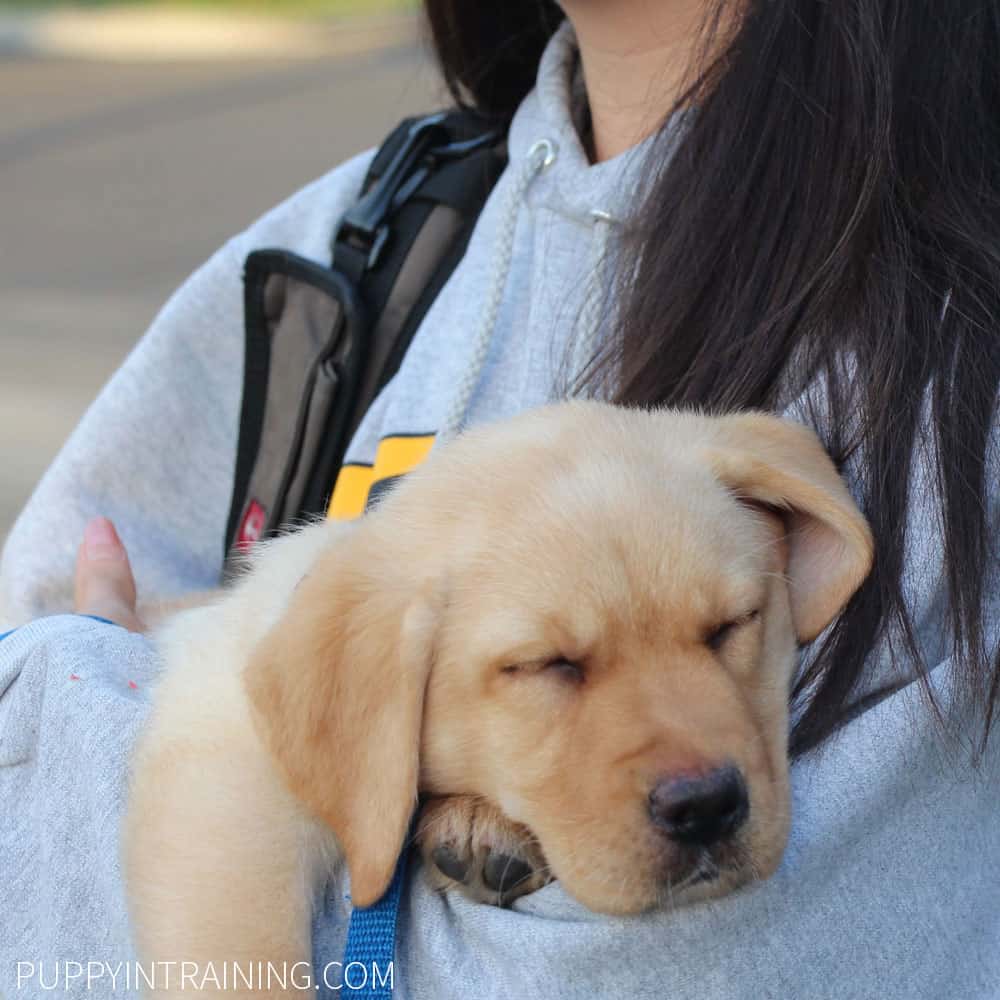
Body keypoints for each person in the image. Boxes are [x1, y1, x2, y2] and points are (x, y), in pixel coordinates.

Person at [2, 0, 999, 997]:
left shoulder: (940, 340)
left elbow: (680, 974)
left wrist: (79, 715)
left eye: (723, 628)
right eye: (553, 664)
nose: (694, 761)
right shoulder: (361, 235)